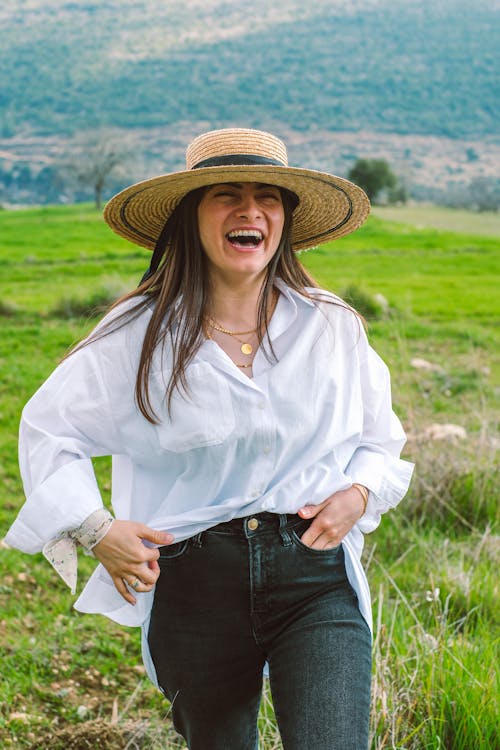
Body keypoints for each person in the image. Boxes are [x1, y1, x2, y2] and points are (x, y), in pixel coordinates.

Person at [5, 128, 414, 750]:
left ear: (285, 219)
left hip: (313, 574)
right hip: (192, 581)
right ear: (190, 218)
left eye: (267, 196)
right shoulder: (134, 334)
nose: (250, 210)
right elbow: (48, 430)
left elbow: (381, 442)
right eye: (226, 194)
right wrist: (95, 528)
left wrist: (360, 492)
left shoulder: (331, 325)